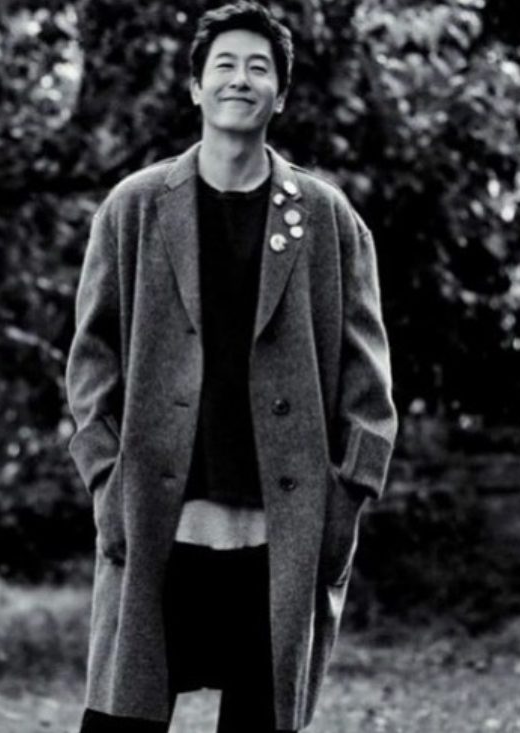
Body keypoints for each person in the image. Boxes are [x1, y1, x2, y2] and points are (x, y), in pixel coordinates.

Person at [65, 3, 397, 731]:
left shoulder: (328, 219)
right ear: (195, 87)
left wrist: (345, 500)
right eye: (224, 65)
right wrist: (104, 476)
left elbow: (369, 389)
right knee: (120, 719)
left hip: (280, 543)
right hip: (156, 529)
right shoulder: (134, 208)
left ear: (281, 94)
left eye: (258, 68)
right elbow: (90, 363)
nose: (240, 80)